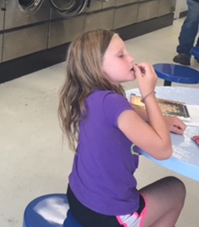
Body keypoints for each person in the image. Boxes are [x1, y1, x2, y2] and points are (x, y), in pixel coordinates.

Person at [58, 29, 186, 227]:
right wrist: (149, 94)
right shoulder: (113, 104)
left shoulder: (87, 94)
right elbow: (163, 150)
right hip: (108, 215)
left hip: (78, 198)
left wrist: (160, 119)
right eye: (121, 55)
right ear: (96, 67)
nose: (131, 58)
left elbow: (127, 110)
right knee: (176, 189)